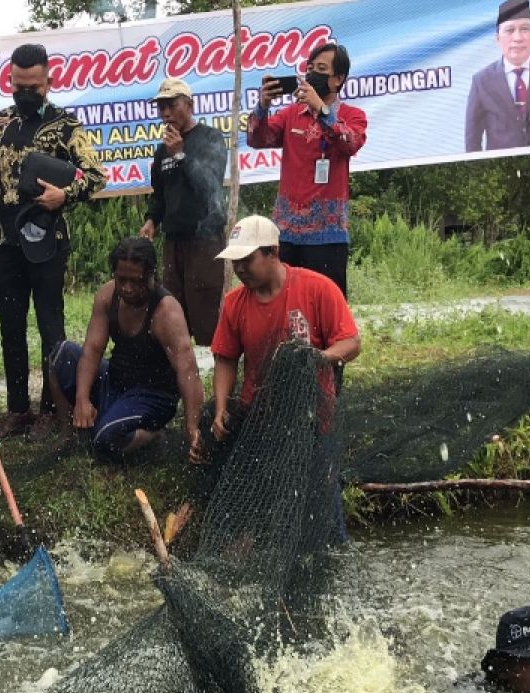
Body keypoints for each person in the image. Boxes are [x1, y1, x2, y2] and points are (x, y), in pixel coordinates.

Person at [0, 43, 107, 440]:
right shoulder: (0, 123)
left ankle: (54, 411)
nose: (26, 92)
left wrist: (63, 196)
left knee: (51, 327)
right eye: (19, 85)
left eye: (34, 86)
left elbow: (97, 175)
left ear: (49, 81)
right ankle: (18, 410)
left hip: (47, 242)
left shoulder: (67, 125)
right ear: (10, 80)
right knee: (10, 328)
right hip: (5, 241)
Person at [47, 237, 204, 463]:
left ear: (151, 275)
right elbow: (92, 350)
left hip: (152, 395)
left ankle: (153, 436)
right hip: (116, 380)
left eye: (136, 281)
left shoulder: (167, 312)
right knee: (60, 355)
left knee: (105, 439)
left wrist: (192, 428)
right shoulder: (107, 295)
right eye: (122, 280)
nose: (127, 288)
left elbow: (188, 371)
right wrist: (82, 399)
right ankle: (69, 435)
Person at [209, 216, 360, 443]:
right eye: (234, 261)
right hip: (257, 413)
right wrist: (221, 407)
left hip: (311, 412)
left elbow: (352, 343)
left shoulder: (318, 288)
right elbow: (225, 359)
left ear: (273, 252)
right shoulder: (233, 303)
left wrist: (318, 358)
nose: (239, 269)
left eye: (246, 260)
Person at [250, 43, 367, 300]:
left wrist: (323, 111)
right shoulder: (291, 114)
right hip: (286, 232)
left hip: (328, 236)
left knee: (327, 305)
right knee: (285, 302)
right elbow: (257, 139)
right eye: (309, 68)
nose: (312, 74)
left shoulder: (352, 115)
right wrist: (263, 106)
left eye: (321, 69)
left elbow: (351, 142)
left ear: (338, 80)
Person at [138, 78, 229, 346]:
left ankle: (214, 373)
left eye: (171, 105)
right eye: (161, 107)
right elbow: (160, 194)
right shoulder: (161, 151)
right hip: (173, 241)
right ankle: (180, 375)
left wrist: (181, 155)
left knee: (206, 309)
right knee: (173, 307)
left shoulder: (210, 138)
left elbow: (210, 186)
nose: (165, 113)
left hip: (206, 240)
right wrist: (152, 219)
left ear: (189, 105)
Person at [465, 0, 530, 152]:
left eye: (524, 29)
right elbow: (472, 142)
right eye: (509, 30)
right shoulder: (481, 81)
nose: (518, 38)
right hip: (499, 170)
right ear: (497, 38)